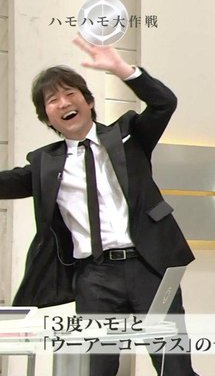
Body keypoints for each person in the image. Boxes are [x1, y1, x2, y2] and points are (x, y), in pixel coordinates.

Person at [0, 37, 195, 376]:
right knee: (98, 368)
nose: (63, 103)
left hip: (149, 266)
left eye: (70, 93)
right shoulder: (45, 163)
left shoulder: (127, 136)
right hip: (95, 276)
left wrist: (123, 70)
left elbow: (165, 104)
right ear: (47, 118)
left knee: (173, 365)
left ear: (88, 101)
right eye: (52, 100)